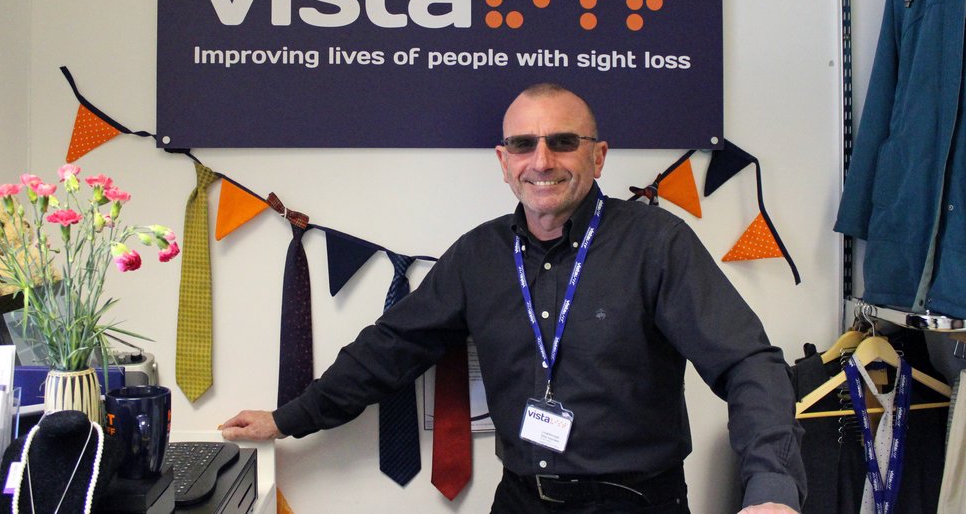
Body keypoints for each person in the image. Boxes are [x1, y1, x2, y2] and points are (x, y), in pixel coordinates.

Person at [222, 83, 805, 513]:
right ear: (504, 163)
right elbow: (390, 348)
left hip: (635, 500)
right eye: (523, 145)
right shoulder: (479, 256)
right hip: (521, 499)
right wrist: (288, 417)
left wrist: (772, 490)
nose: (542, 160)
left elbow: (747, 362)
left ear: (598, 156)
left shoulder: (657, 243)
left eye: (563, 142)